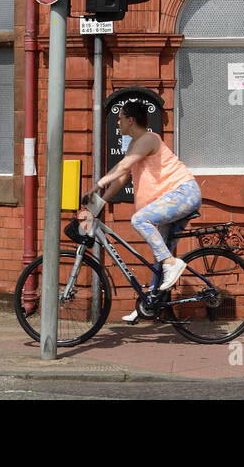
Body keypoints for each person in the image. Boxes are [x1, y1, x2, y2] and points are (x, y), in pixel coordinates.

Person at [82, 101, 201, 322]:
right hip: (173, 199)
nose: (117, 123)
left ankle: (173, 264)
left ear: (130, 120)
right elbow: (120, 178)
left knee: (140, 220)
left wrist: (97, 185)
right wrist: (100, 201)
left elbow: (124, 167)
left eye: (120, 119)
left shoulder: (148, 139)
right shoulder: (134, 146)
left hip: (184, 193)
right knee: (160, 255)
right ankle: (150, 304)